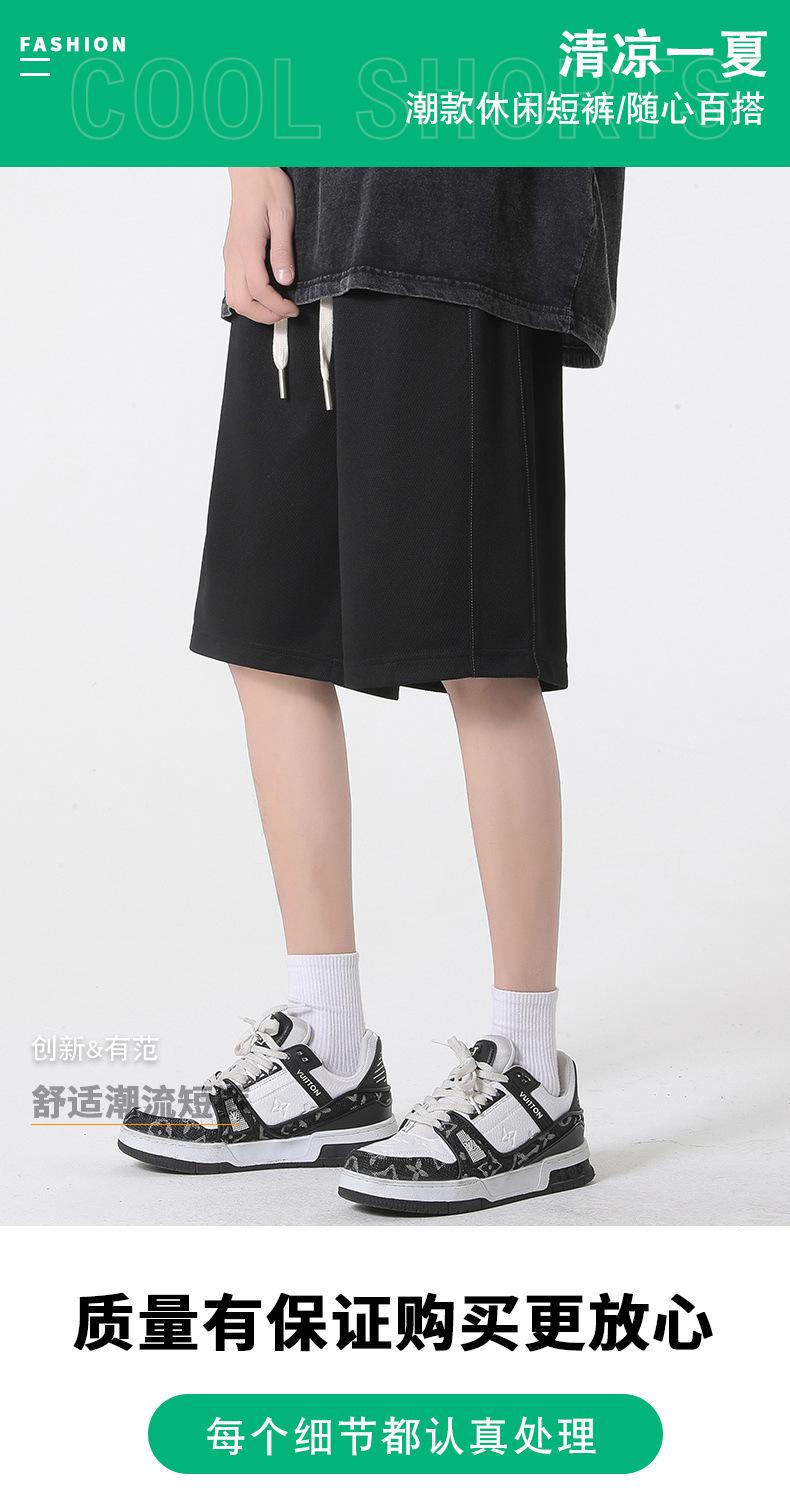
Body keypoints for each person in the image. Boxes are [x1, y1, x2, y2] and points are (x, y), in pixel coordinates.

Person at [119, 166, 625, 1216]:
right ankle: (327, 1048)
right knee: (270, 630)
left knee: (482, 650)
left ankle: (531, 1070)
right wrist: (250, 164)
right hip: (312, 213)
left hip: (459, 214)